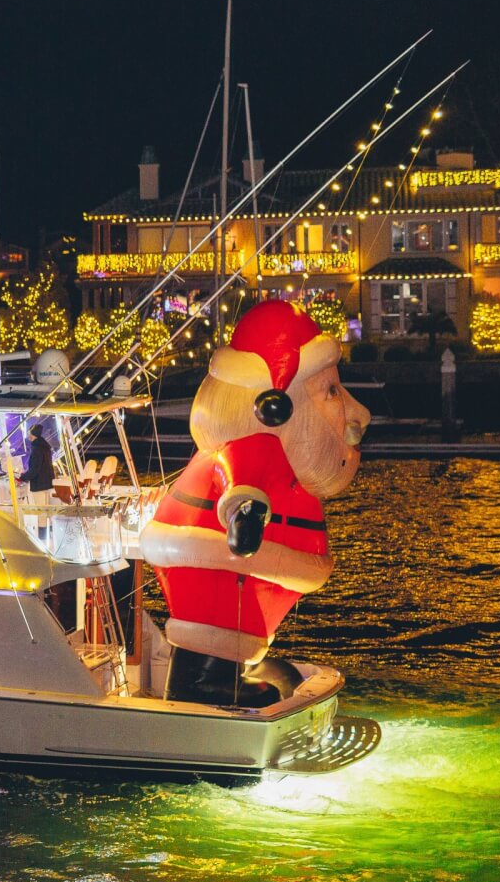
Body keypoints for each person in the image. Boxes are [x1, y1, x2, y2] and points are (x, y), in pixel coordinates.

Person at [140, 300, 370, 707]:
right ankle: (201, 683)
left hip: (234, 579)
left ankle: (230, 670)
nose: (358, 414)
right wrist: (244, 514)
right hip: (219, 561)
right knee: (216, 614)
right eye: (331, 391)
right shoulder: (255, 448)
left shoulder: (275, 460)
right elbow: (240, 479)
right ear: (276, 406)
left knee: (230, 619)